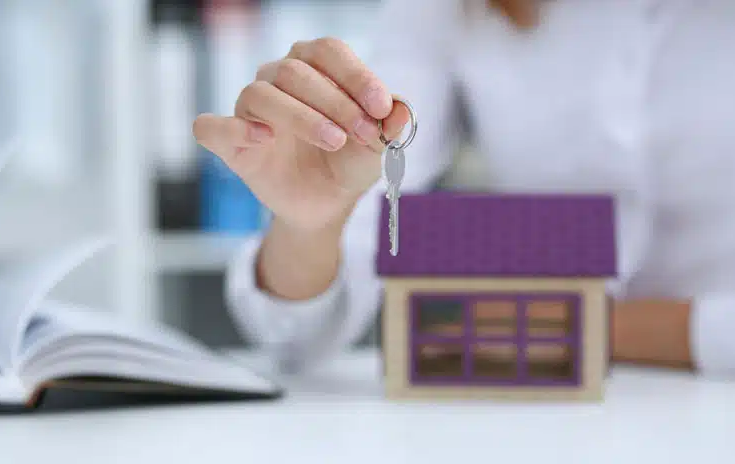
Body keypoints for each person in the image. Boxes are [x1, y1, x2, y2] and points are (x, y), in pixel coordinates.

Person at [192, 0, 735, 378]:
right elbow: (297, 336)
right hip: (546, 413)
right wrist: (311, 228)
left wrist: (581, 328)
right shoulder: (447, 11)